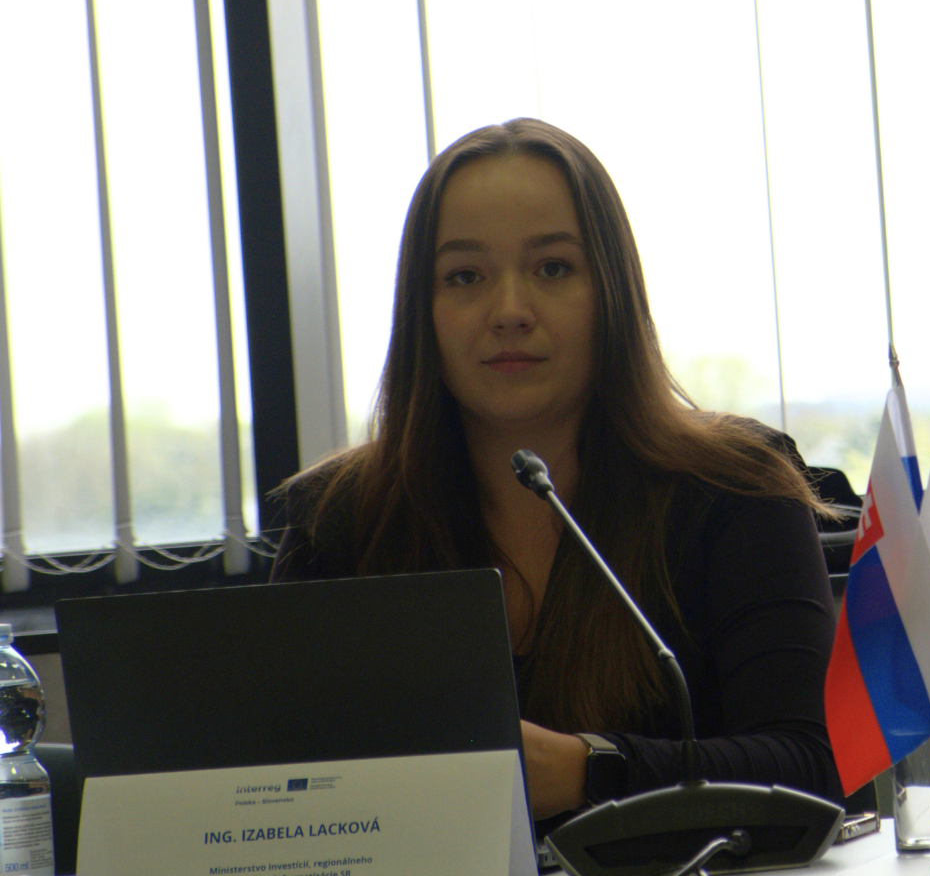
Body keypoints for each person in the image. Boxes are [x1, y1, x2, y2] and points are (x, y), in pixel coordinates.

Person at [270, 118, 840, 820]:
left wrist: (592, 770)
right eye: (465, 277)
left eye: (552, 268)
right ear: (423, 311)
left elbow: (811, 767)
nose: (509, 311)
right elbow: (276, 790)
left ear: (612, 294)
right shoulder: (338, 521)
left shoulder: (734, 489)